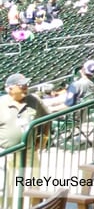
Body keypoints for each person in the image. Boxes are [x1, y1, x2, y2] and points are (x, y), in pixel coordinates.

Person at [1, 73, 49, 201]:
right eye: (21, 85)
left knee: (32, 187)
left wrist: (43, 138)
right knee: (5, 190)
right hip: (6, 153)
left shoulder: (34, 100)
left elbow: (47, 118)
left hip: (29, 151)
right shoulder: (1, 103)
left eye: (26, 84)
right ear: (9, 88)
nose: (26, 87)